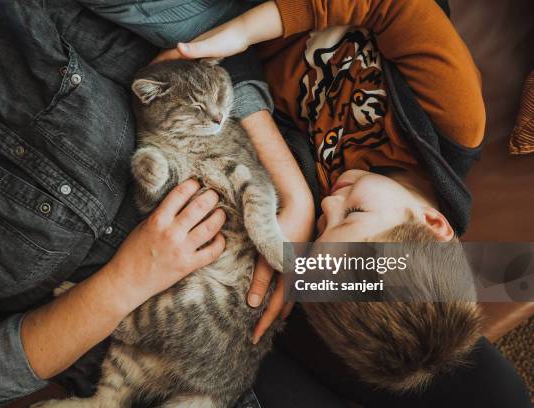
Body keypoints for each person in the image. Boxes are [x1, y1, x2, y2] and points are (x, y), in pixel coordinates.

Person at [0, 1, 314, 406]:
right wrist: (122, 285)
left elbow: (210, 43)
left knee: (377, 274)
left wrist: (297, 198)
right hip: (148, 371)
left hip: (289, 248)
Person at [156, 0, 533, 406]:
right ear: (434, 223)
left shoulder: (328, 199)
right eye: (353, 214)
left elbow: (244, 107)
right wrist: (245, 31)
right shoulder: (454, 117)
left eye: (321, 230)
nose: (329, 206)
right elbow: (391, 7)